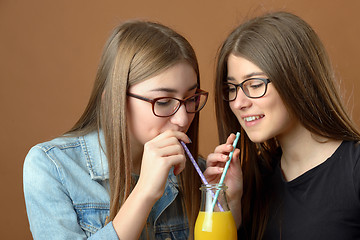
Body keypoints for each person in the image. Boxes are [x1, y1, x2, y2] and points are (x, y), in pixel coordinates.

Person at [23, 20, 209, 239]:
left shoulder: (198, 172)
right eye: (163, 101)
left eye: (190, 98)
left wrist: (225, 204)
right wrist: (144, 192)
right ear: (114, 100)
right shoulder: (52, 166)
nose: (182, 118)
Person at [204, 11, 360, 240]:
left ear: (297, 79)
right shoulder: (251, 181)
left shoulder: (354, 170)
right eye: (231, 88)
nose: (238, 103)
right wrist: (230, 207)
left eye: (255, 85)